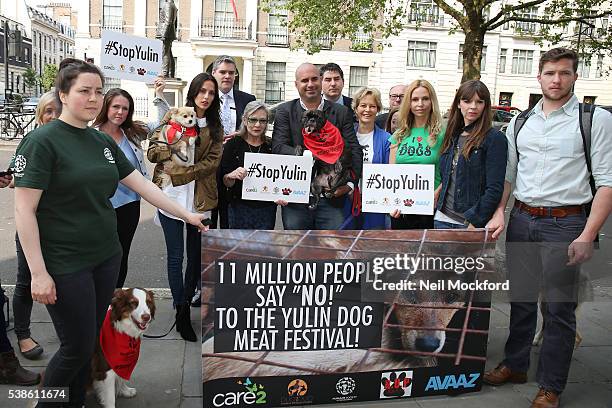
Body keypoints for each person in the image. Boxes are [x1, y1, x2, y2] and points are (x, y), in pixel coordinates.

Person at [13, 58, 208, 408]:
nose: (94, 98)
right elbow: (24, 210)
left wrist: (186, 214)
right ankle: (42, 402)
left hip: (105, 256)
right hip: (65, 261)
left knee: (89, 343)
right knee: (74, 347)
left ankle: (74, 402)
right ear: (63, 93)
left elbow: (143, 185)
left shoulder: (99, 140)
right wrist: (39, 274)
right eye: (84, 91)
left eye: (98, 91)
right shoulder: (42, 142)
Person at [484, 48, 612, 408]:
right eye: (550, 73)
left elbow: (607, 182)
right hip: (522, 218)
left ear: (575, 77)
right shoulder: (521, 122)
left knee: (558, 309)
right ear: (538, 77)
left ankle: (551, 385)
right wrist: (499, 212)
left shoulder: (594, 120)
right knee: (522, 301)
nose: (557, 79)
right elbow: (509, 174)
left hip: (566, 222)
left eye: (565, 73)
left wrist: (587, 234)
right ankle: (516, 364)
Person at [148, 72, 223, 342]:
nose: (206, 96)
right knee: (175, 257)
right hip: (170, 198)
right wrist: (174, 148)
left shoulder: (214, 127)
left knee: (195, 258)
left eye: (211, 92)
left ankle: (185, 311)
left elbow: (212, 163)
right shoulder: (174, 117)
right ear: (193, 92)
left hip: (200, 200)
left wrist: (183, 172)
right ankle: (180, 310)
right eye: (202, 90)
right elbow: (153, 152)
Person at [92, 80, 168, 288]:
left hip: (129, 206)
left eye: (125, 108)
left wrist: (159, 94)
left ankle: (113, 299)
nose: (120, 112)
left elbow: (163, 123)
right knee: (99, 256)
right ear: (106, 106)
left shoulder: (133, 132)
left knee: (121, 254)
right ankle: (97, 299)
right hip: (100, 207)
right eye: (116, 106)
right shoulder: (91, 135)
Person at [271, 62, 363, 230]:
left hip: (332, 198)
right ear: (296, 84)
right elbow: (278, 147)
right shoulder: (285, 111)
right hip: (295, 198)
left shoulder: (341, 112)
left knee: (330, 250)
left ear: (321, 80)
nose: (310, 84)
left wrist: (350, 184)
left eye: (314, 79)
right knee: (297, 249)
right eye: (305, 80)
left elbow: (354, 149)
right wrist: (308, 155)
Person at [11, 91, 59, 360]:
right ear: (40, 114)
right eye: (47, 111)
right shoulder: (33, 141)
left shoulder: (69, 141)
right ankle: (22, 334)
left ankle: (67, 333)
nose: (52, 116)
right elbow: (18, 178)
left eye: (57, 110)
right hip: (33, 225)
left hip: (61, 227)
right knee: (26, 280)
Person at [433, 80, 507, 229]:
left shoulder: (494, 138)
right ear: (459, 103)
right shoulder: (452, 134)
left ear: (485, 105)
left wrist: (475, 221)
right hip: (442, 217)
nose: (473, 106)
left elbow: (494, 188)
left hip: (469, 223)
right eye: (467, 101)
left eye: (479, 102)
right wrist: (439, 190)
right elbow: (451, 171)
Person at [0, 173, 40, 386]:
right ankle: (11, 355)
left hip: (69, 225)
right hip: (35, 221)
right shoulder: (35, 142)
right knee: (25, 282)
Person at [388, 80, 445, 230]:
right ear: (409, 103)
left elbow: (449, 173)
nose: (420, 104)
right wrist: (392, 202)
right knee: (401, 253)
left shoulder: (443, 135)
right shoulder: (398, 135)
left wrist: (437, 193)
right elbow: (391, 173)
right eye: (415, 99)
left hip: (430, 209)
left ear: (432, 101)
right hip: (401, 210)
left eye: (425, 99)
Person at [211, 55, 256, 230]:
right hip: (210, 163)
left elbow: (256, 127)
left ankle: (229, 254)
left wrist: (243, 133)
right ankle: (210, 253)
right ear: (214, 73)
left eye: (231, 73)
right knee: (210, 216)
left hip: (236, 164)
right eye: (222, 72)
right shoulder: (206, 99)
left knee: (232, 217)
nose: (227, 76)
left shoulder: (248, 99)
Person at [220, 101, 278, 229]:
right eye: (253, 120)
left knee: (263, 246)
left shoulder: (272, 146)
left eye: (263, 121)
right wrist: (231, 176)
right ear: (245, 120)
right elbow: (225, 181)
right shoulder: (233, 145)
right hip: (238, 206)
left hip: (266, 209)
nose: (257, 125)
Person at [346, 87, 390, 229]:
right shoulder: (346, 135)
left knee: (372, 241)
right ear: (356, 108)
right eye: (363, 105)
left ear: (377, 109)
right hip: (347, 198)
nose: (367, 110)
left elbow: (390, 173)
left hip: (375, 201)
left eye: (372, 106)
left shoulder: (386, 139)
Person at [156, 0, 178, 78]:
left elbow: (168, 21)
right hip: (169, 32)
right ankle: (171, 73)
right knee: (169, 53)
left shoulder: (168, 4)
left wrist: (164, 34)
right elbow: (174, 23)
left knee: (164, 53)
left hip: (165, 33)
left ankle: (165, 73)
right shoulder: (173, 5)